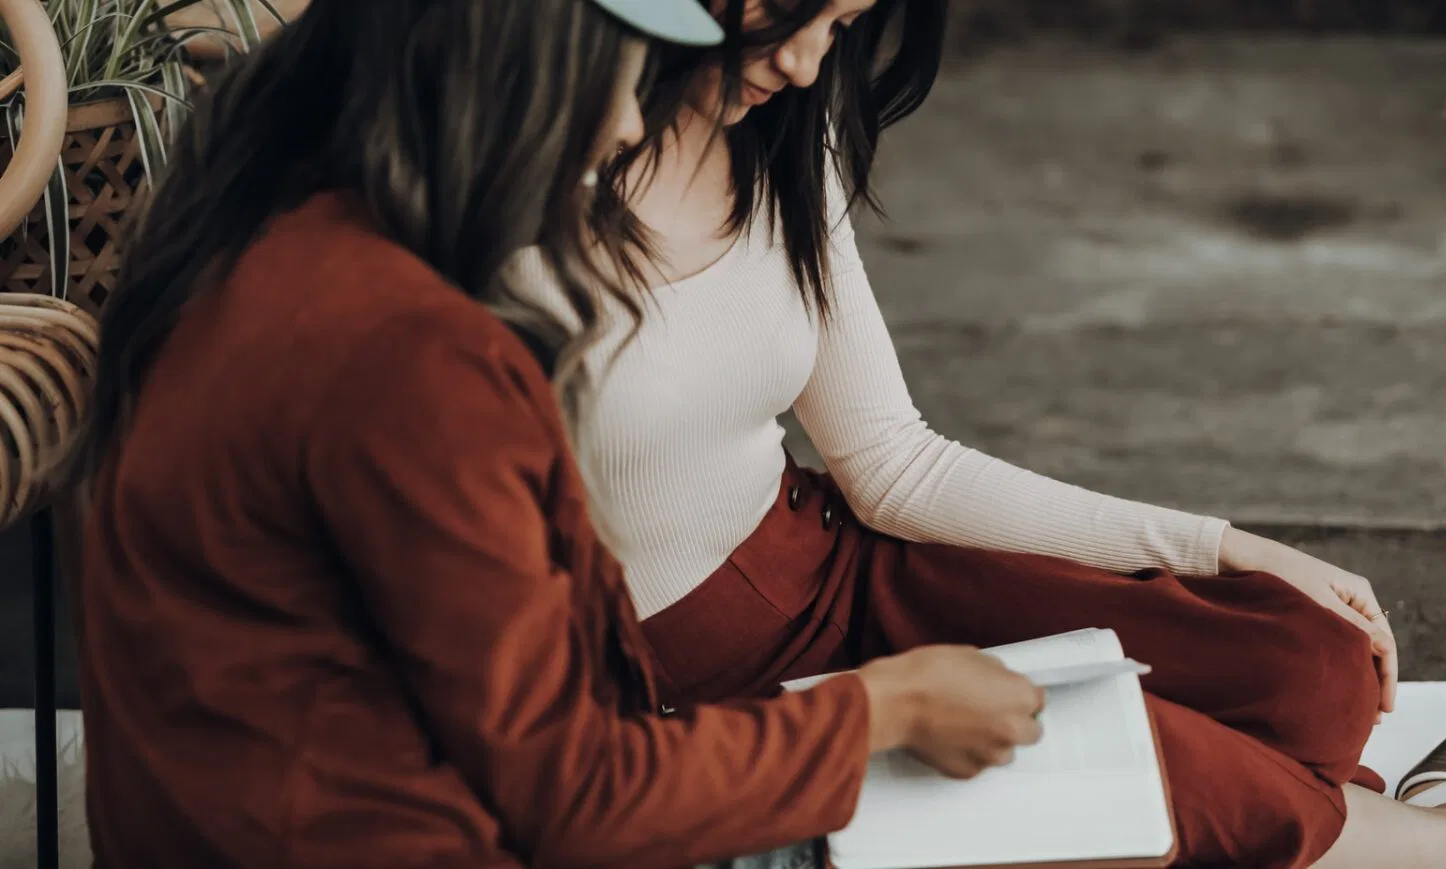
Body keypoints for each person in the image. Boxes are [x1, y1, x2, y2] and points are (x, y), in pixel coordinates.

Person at [508, 1, 1446, 866]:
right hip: (689, 683)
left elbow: (895, 462)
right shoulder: (499, 209)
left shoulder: (777, 133)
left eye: (843, 26)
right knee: (1138, 756)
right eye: (787, 11)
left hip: (837, 567)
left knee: (1309, 665)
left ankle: (1293, 817)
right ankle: (1423, 845)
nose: (808, 62)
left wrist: (1221, 544)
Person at [71, 2, 1054, 868]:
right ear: (506, 72)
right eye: (616, 80)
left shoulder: (254, 237)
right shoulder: (413, 352)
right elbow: (577, 795)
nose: (630, 127)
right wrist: (887, 708)